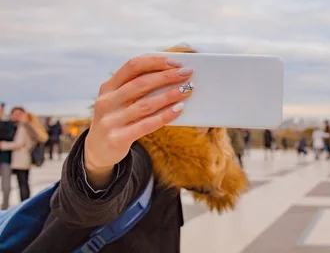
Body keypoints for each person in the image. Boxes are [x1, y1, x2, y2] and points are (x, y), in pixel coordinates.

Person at [22, 46, 248, 252]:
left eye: (203, 102)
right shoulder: (140, 150)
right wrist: (96, 167)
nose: (201, 120)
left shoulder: (177, 163)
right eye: (185, 99)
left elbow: (209, 182)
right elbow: (85, 207)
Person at [0, 109, 48, 206]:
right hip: (22, 158)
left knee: (23, 183)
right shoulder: (25, 126)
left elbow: (19, 143)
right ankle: (25, 204)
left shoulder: (24, 126)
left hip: (21, 158)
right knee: (23, 183)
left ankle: (25, 204)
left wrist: (3, 145)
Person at [0, 103, 16, 210]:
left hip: (5, 158)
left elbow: (10, 136)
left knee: (6, 185)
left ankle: (5, 206)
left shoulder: (8, 123)